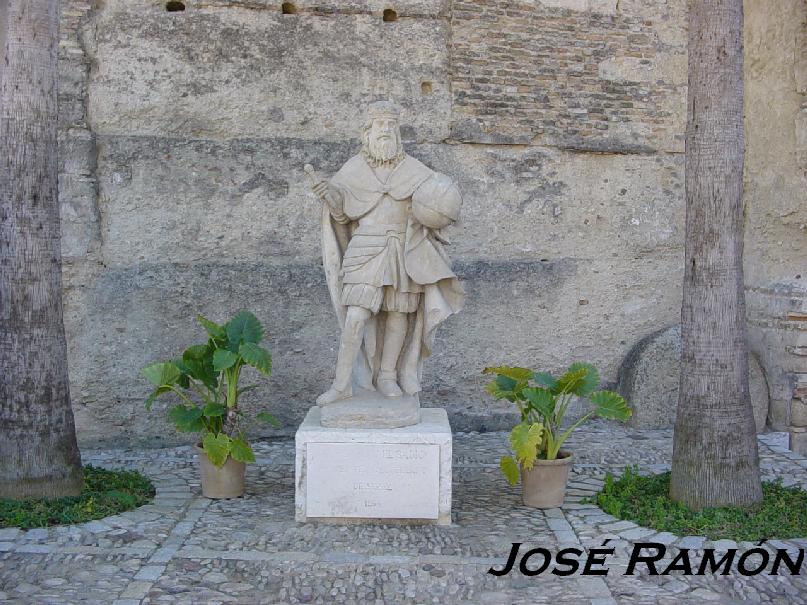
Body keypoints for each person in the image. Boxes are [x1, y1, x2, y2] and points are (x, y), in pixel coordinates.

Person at [309, 100, 465, 406]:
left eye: (392, 125)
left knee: (399, 314)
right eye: (380, 125)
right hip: (365, 247)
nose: (386, 130)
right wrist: (330, 197)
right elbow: (342, 217)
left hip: (402, 249)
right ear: (366, 133)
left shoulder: (415, 170)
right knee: (356, 315)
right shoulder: (352, 170)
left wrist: (442, 209)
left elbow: (436, 204)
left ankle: (387, 376)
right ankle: (342, 384)